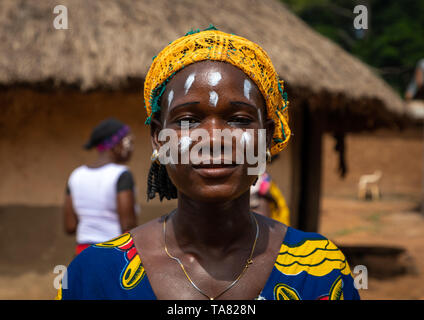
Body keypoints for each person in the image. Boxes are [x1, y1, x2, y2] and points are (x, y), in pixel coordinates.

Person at [57, 27, 359, 300]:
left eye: (239, 120)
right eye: (187, 120)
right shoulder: (93, 277)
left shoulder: (319, 270)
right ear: (159, 139)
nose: (213, 138)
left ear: (266, 138)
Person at [63, 118, 138, 256]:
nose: (132, 148)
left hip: (83, 253)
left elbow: (70, 226)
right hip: (112, 253)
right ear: (115, 145)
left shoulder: (76, 175)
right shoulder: (121, 175)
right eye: (129, 142)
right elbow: (127, 226)